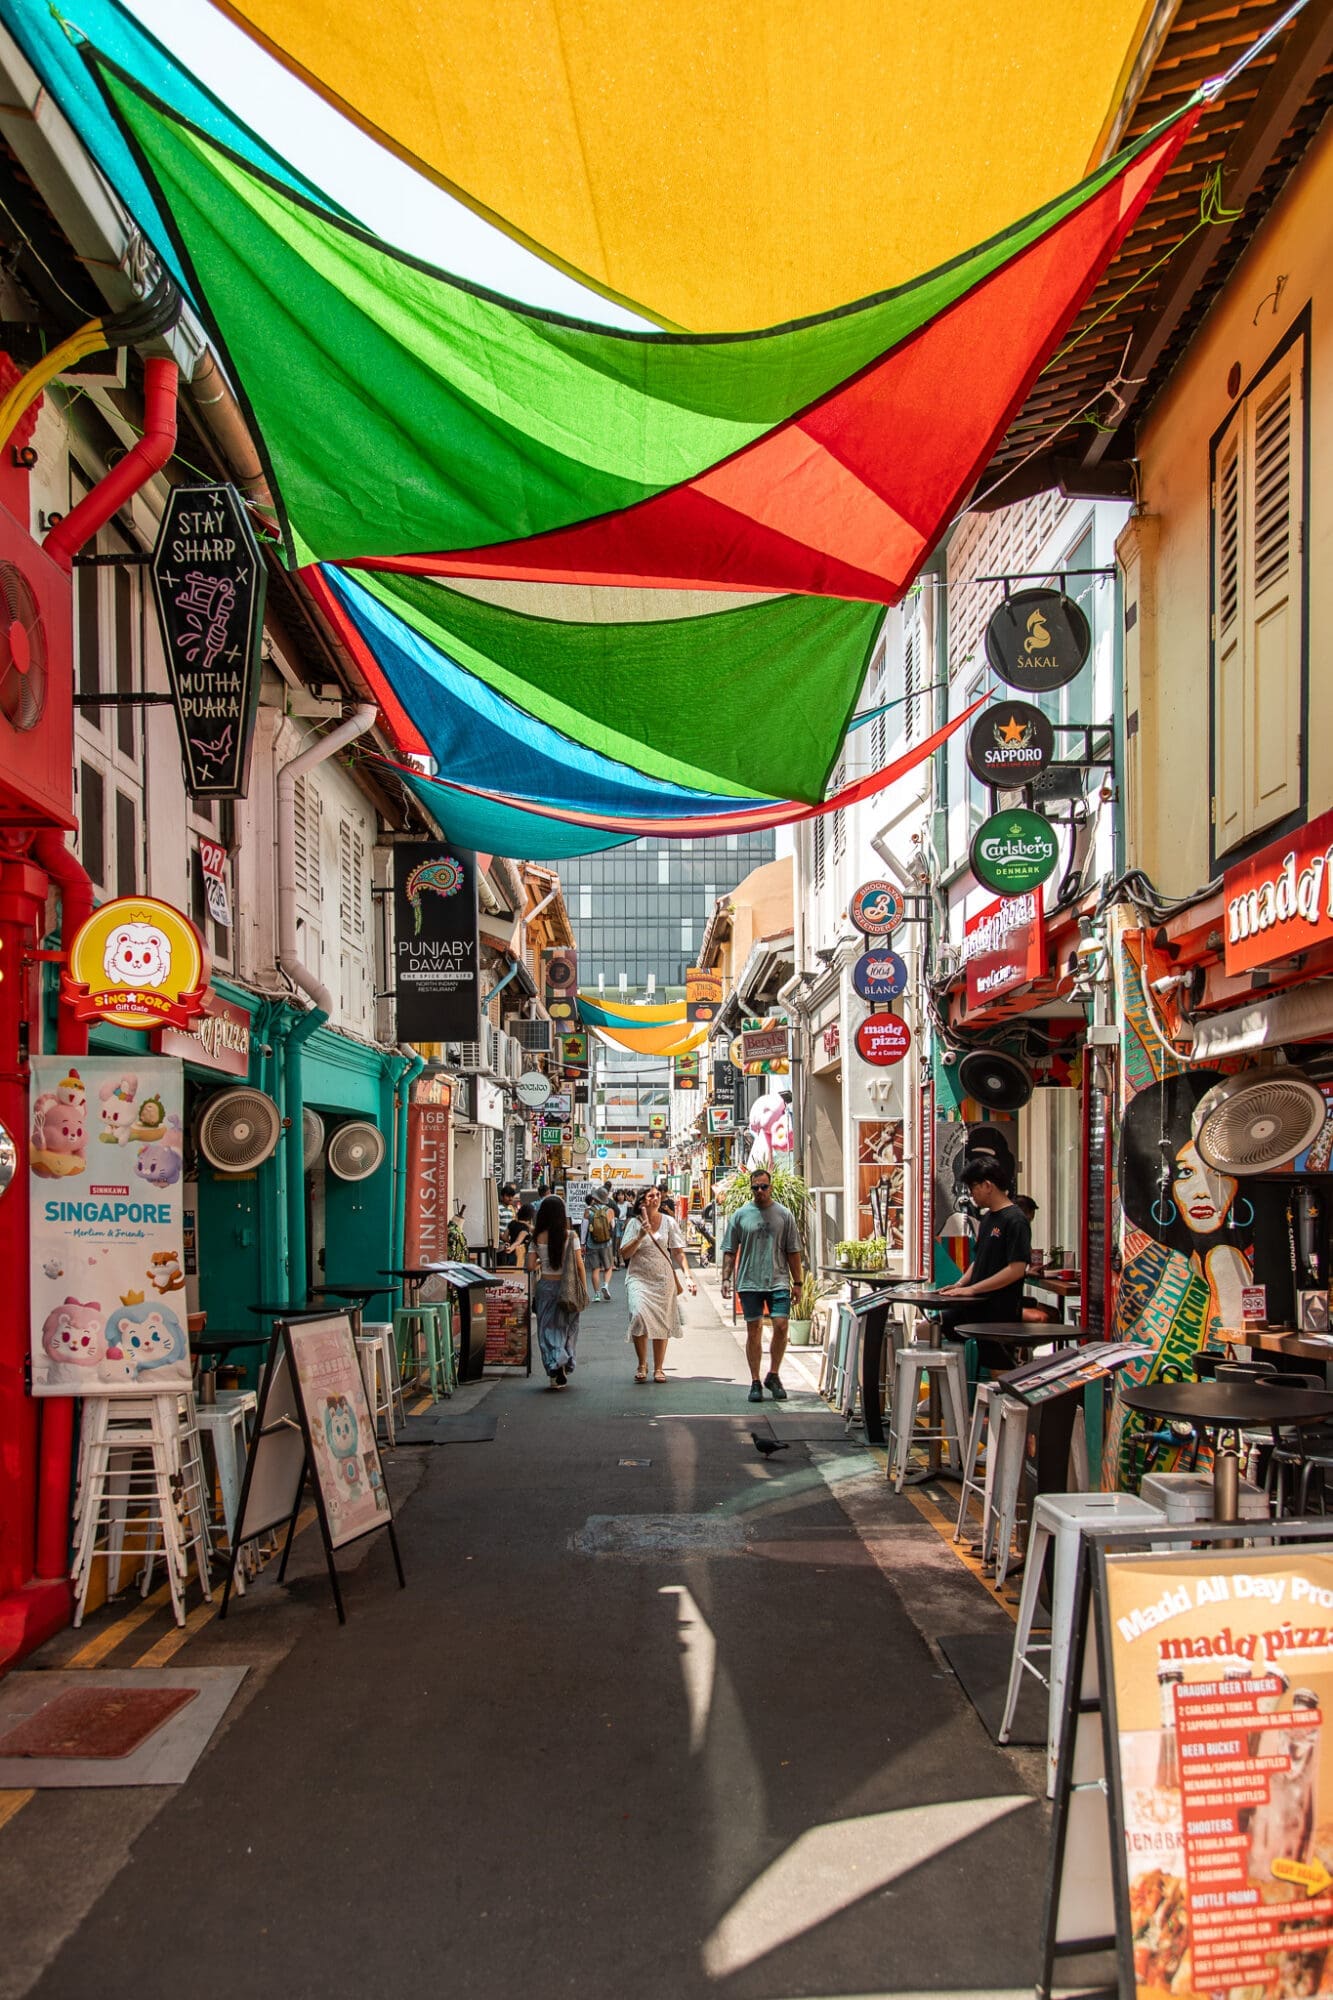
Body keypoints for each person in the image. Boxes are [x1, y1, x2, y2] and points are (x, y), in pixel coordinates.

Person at [937, 1158, 1032, 1371]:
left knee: (999, 1370)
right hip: (975, 1305)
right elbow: (979, 1259)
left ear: (988, 1185)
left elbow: (1016, 1270)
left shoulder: (1015, 1220)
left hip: (999, 1310)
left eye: (973, 1189)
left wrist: (972, 1289)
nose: (972, 1195)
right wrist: (960, 1285)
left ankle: (1007, 1404)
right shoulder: (988, 1218)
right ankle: (947, 1396)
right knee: (930, 1329)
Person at [721, 1168, 802, 1403]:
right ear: (750, 1188)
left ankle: (773, 1375)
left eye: (764, 1186)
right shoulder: (740, 1215)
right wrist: (726, 1278)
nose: (760, 1191)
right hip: (749, 1282)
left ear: (771, 1187)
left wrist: (798, 1283)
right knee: (753, 1329)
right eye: (755, 1187)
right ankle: (755, 1380)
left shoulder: (784, 1215)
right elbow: (729, 1250)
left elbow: (793, 1251)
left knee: (781, 1326)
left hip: (778, 1280)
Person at [621, 1185, 695, 1383]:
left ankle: (659, 1368)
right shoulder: (634, 1224)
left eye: (657, 1195)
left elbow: (677, 1251)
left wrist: (688, 1275)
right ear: (643, 1200)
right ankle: (642, 1363)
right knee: (638, 1315)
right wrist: (640, 1236)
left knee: (662, 1322)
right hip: (639, 1277)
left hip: (663, 1279)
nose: (657, 1198)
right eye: (651, 1195)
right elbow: (624, 1254)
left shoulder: (669, 1222)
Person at [526, 1195, 585, 1389]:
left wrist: (541, 1260)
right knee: (567, 1327)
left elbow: (529, 1266)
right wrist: (583, 1289)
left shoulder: (536, 1237)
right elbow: (579, 1266)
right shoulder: (571, 1236)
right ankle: (563, 1361)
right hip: (567, 1288)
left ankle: (555, 1366)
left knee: (546, 1329)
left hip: (546, 1287)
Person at [583, 1191, 618, 1302]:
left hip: (591, 1243)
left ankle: (597, 1294)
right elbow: (612, 1226)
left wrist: (582, 1243)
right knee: (608, 1267)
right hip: (606, 1243)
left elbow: (584, 1229)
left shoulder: (588, 1211)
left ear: (594, 1198)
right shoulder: (609, 1211)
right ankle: (606, 1285)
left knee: (595, 1269)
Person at [496, 1202, 535, 1270]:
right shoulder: (525, 1228)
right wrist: (511, 1249)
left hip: (510, 1254)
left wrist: (510, 1244)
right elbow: (518, 1242)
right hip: (520, 1255)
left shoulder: (512, 1223)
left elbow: (504, 1237)